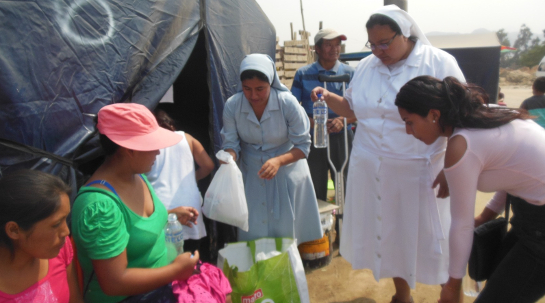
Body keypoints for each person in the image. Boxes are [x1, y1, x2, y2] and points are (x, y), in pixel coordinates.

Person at [310, 5, 465, 303]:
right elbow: (354, 110)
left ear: (405, 34)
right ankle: (401, 293)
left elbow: (463, 118)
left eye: (385, 42)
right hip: (372, 168)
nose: (379, 50)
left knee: (428, 238)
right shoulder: (368, 66)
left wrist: (452, 166)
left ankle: (450, 295)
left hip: (418, 170)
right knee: (388, 233)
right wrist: (329, 98)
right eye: (373, 44)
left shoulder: (439, 63)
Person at [395, 75, 545, 303]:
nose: (408, 130)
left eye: (409, 121)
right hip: (530, 216)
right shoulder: (485, 115)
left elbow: (462, 224)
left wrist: (452, 287)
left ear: (434, 115)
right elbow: (515, 170)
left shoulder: (461, 144)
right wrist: (485, 215)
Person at [71, 103, 211, 303]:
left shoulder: (138, 176)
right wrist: (175, 271)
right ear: (129, 149)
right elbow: (114, 282)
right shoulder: (99, 206)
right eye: (152, 145)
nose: (158, 152)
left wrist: (169, 213)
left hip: (159, 292)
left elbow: (133, 225)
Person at [221, 53, 323, 244]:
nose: (253, 95)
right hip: (253, 173)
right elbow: (231, 143)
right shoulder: (233, 105)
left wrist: (278, 161)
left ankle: (289, 268)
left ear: (271, 83)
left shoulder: (287, 103)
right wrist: (229, 157)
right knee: (254, 229)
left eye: (260, 89)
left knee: (286, 233)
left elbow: (303, 146)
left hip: (287, 169)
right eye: (247, 89)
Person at [291, 28, 355, 201]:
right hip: (314, 137)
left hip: (342, 138)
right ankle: (319, 224)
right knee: (315, 184)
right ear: (317, 49)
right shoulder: (303, 74)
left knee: (345, 185)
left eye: (337, 45)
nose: (334, 49)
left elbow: (361, 108)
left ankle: (344, 224)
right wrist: (312, 123)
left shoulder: (350, 73)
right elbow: (293, 108)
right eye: (328, 45)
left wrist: (343, 120)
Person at [0, 169, 83, 303]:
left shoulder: (60, 248)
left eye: (65, 219)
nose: (66, 232)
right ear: (14, 230)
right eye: (56, 224)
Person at [147, 109, 214, 253]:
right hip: (191, 206)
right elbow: (208, 165)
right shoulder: (186, 138)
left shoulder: (146, 143)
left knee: (165, 258)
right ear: (171, 125)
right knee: (192, 257)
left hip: (162, 207)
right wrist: (191, 177)